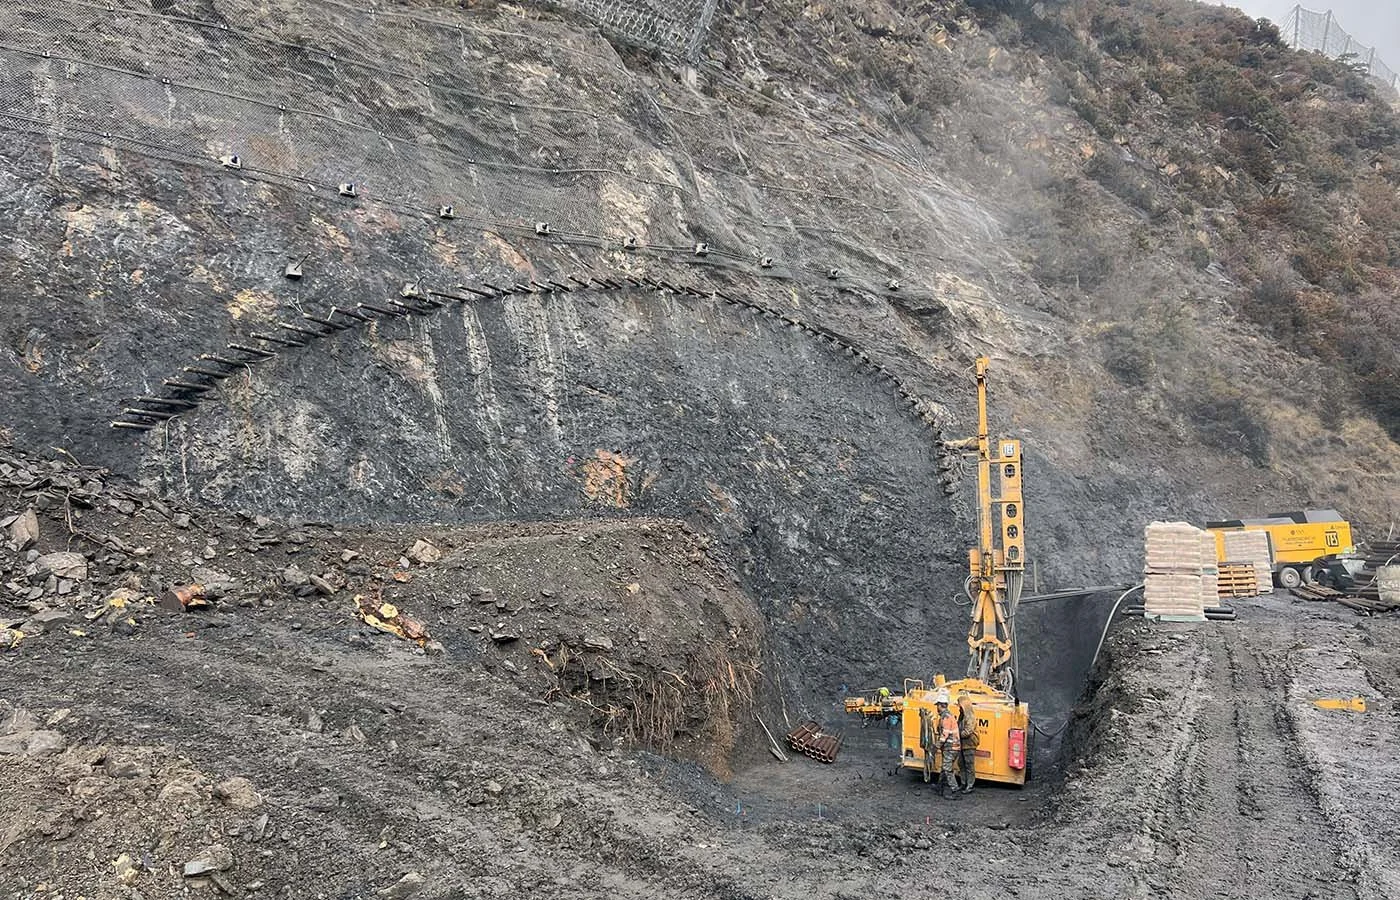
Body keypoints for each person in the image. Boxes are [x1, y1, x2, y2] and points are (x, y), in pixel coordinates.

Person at [935, 696, 961, 799]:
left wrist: (937, 745)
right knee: (944, 768)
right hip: (953, 747)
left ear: (941, 705)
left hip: (951, 747)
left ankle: (955, 791)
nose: (937, 707)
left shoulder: (946, 717)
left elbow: (945, 734)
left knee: (947, 769)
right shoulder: (948, 716)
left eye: (937, 705)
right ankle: (939, 787)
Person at [956, 692, 979, 794]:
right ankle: (963, 783)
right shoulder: (962, 716)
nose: (959, 708)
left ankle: (970, 785)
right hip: (962, 744)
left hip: (969, 745)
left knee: (969, 765)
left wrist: (957, 735)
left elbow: (968, 731)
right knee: (961, 764)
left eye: (960, 706)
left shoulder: (970, 717)